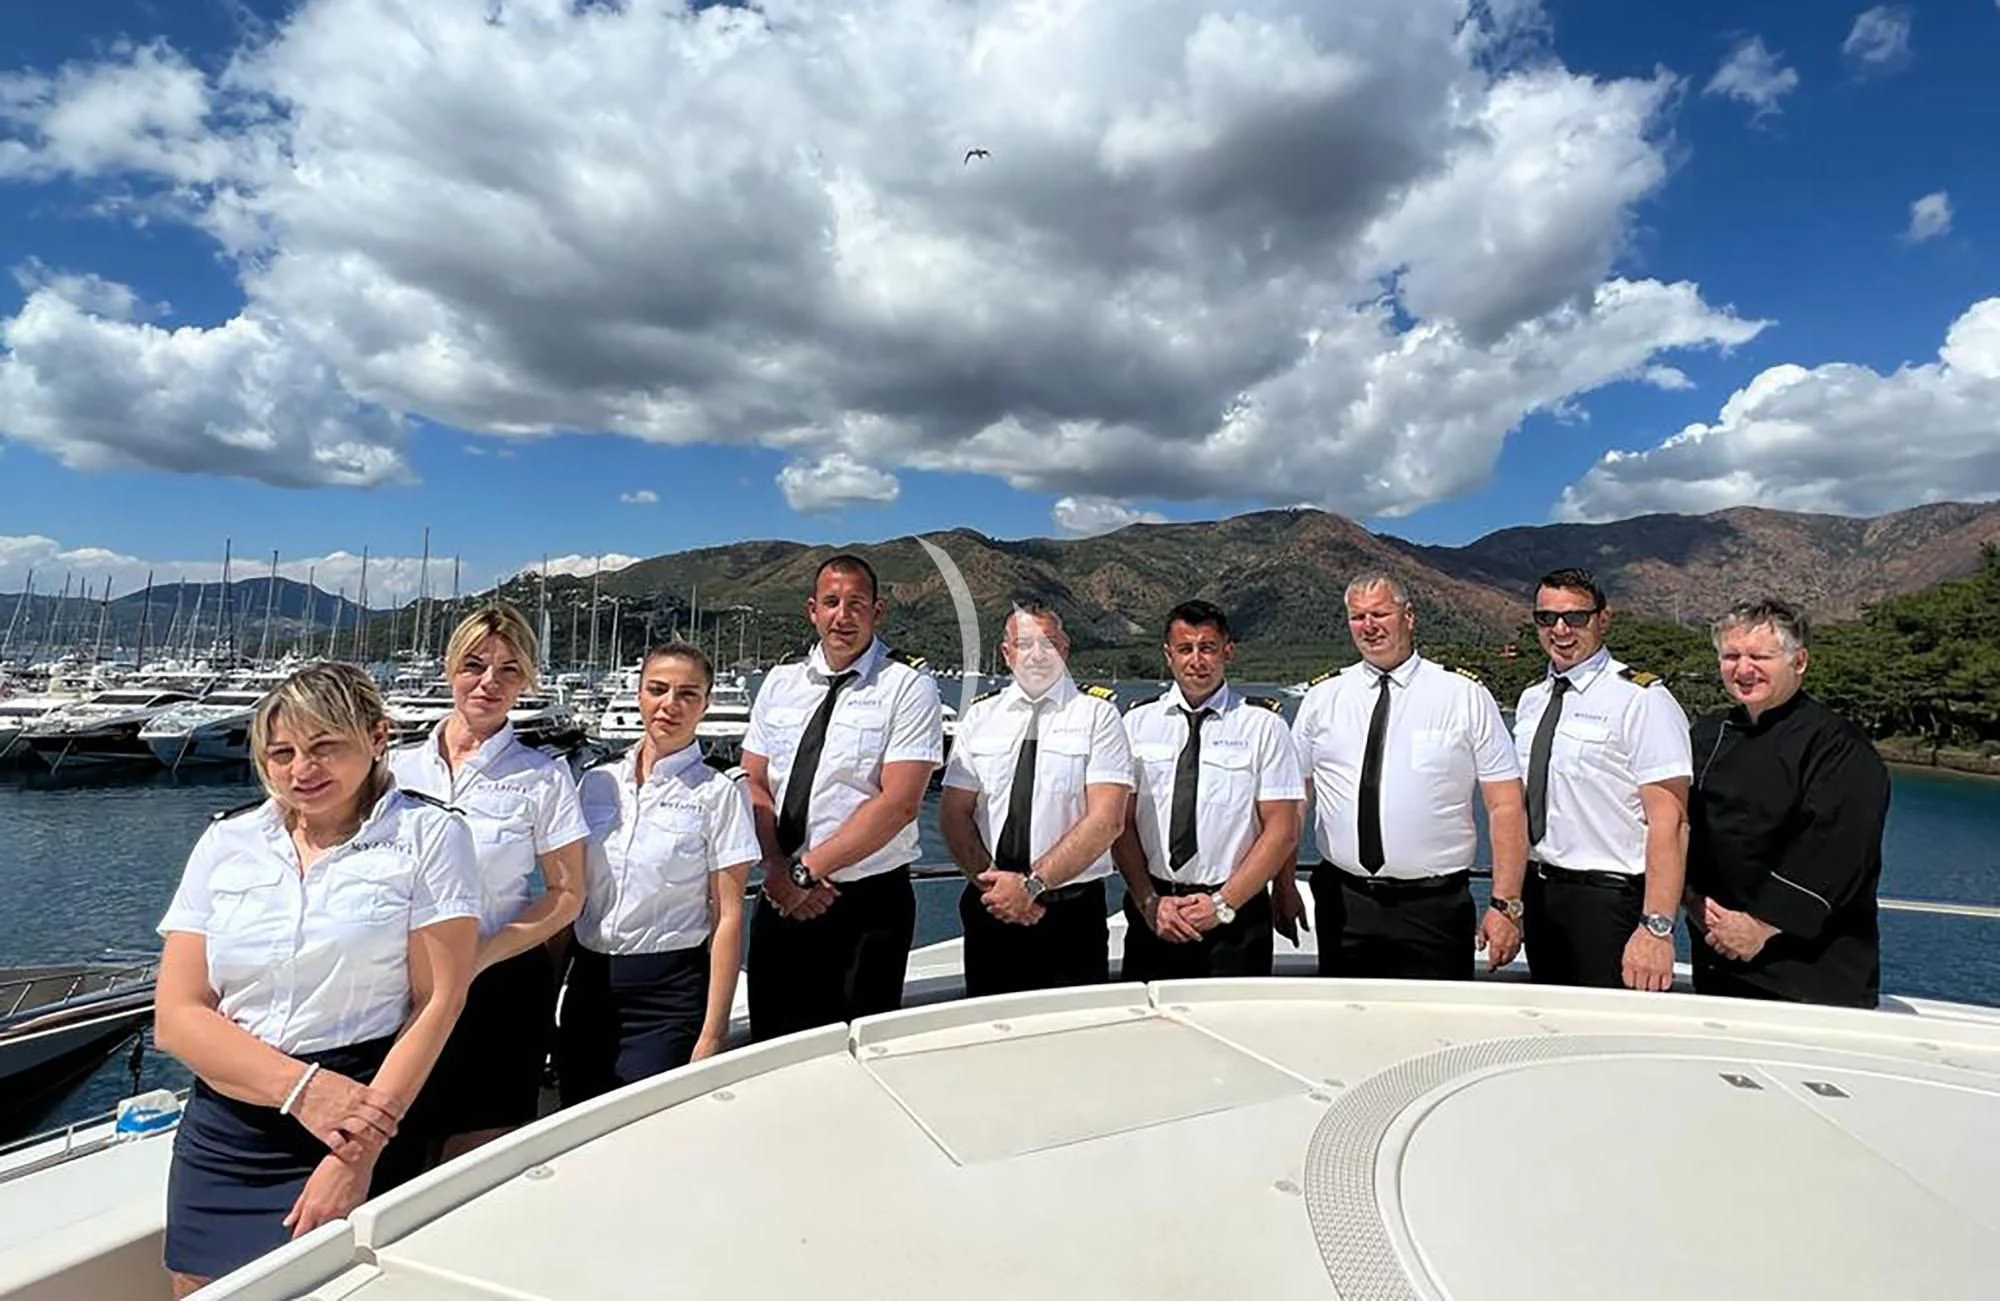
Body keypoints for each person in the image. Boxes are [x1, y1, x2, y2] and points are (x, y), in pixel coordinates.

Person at [153, 664, 479, 1297]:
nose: (302, 768)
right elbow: (177, 1014)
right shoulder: (227, 841)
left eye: (325, 745)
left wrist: (356, 1153)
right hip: (227, 1118)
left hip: (364, 1106)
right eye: (282, 753)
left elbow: (437, 1001)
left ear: (377, 737)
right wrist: (301, 1090)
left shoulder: (429, 835)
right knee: (198, 1286)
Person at [386, 605, 588, 1161]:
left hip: (497, 986)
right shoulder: (395, 770)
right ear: (451, 669)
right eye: (475, 665)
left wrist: (481, 954)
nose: (489, 682)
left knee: (473, 1157)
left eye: (509, 669)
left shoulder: (543, 778)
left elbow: (568, 893)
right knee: (394, 1145)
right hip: (396, 985)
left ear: (526, 680)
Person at [740, 554, 943, 1040]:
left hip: (866, 906)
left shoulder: (909, 688)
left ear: (879, 611)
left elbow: (899, 803)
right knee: (770, 1040)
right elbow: (753, 783)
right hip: (780, 895)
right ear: (812, 610)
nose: (842, 615)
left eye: (856, 604)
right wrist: (776, 868)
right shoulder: (780, 684)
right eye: (831, 602)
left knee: (854, 1050)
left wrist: (805, 871)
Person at [1291, 574, 1527, 980]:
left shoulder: (1462, 695)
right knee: (1344, 1026)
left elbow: (1505, 804)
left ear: (1409, 616)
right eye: (1357, 616)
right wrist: (1282, 884)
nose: (1369, 626)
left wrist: (1506, 905)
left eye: (1380, 613)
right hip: (1342, 901)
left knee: (1438, 1029)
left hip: (1433, 906)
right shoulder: (1322, 698)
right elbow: (1292, 801)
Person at [557, 642, 761, 1101]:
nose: (671, 704)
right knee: (572, 1116)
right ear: (639, 695)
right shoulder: (596, 782)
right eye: (658, 689)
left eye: (688, 694)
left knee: (640, 1129)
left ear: (705, 704)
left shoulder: (719, 791)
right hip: (589, 985)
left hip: (667, 996)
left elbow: (727, 916)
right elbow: (571, 896)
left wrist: (713, 1033)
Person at [1686, 599, 1891, 1008]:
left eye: (1760, 656)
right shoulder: (1706, 735)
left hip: (1812, 972)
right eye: (1731, 656)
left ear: (1799, 661)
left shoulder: (1838, 746)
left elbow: (1838, 850)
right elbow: (1680, 823)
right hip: (1716, 953)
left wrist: (1761, 925)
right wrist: (1691, 900)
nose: (1743, 669)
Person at [939, 602, 1131, 996]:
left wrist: (1030, 886)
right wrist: (997, 889)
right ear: (1007, 653)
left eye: (1049, 643)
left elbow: (1107, 820)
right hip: (989, 907)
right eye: (1024, 644)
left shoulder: (1098, 717)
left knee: (1070, 1039)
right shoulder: (979, 717)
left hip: (1070, 916)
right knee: (989, 1033)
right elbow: (954, 814)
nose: (1037, 654)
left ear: (1065, 649)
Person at [1511, 569, 1691, 990]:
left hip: (1609, 903)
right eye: (1546, 618)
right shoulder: (1532, 700)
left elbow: (1671, 822)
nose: (1560, 629)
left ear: (1603, 619)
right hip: (1540, 896)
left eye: (1575, 617)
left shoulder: (1642, 700)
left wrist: (1657, 927)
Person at [1115, 600, 1303, 981]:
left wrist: (1221, 904)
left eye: (1208, 647)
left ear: (1227, 651)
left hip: (1236, 917)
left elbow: (1281, 831)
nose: (1197, 660)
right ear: (1168, 655)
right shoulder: (1135, 724)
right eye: (1185, 649)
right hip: (1155, 913)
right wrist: (1148, 901)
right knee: (1146, 1034)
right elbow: (1120, 823)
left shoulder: (1263, 727)